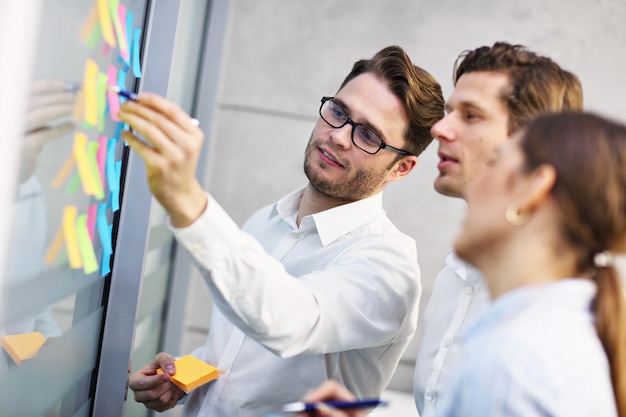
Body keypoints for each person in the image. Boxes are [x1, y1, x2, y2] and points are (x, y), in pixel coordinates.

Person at [120, 45, 445, 417]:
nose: (339, 136)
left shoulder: (389, 268)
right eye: (338, 112)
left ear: (401, 168)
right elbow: (240, 349)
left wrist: (187, 201)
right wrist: (182, 377)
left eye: (368, 135)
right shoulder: (267, 220)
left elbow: (290, 322)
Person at [296, 112, 626, 417]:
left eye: (496, 163)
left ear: (535, 189)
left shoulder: (512, 358)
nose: (476, 183)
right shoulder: (554, 340)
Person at [413, 42, 584, 416]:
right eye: (448, 112)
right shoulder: (451, 280)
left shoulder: (552, 322)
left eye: (471, 116)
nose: (439, 128)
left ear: (531, 145)